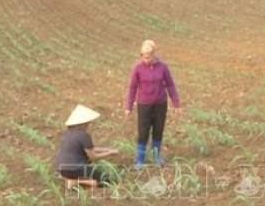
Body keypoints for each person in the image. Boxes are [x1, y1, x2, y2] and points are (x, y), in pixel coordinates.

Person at [125, 40, 182, 168]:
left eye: (148, 57)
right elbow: (132, 87)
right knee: (143, 132)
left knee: (158, 130)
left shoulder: (163, 67)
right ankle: (140, 160)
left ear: (154, 55)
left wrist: (176, 103)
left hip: (160, 104)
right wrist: (128, 106)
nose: (146, 59)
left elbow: (170, 85)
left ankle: (156, 157)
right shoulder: (138, 68)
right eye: (144, 57)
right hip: (144, 105)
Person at [55, 104, 120, 185]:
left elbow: (90, 149)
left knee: (87, 170)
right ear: (82, 124)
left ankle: (73, 179)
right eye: (87, 123)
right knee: (107, 181)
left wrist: (107, 149)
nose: (88, 125)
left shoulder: (68, 134)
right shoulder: (83, 135)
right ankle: (75, 181)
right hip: (75, 168)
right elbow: (93, 156)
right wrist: (110, 153)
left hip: (61, 168)